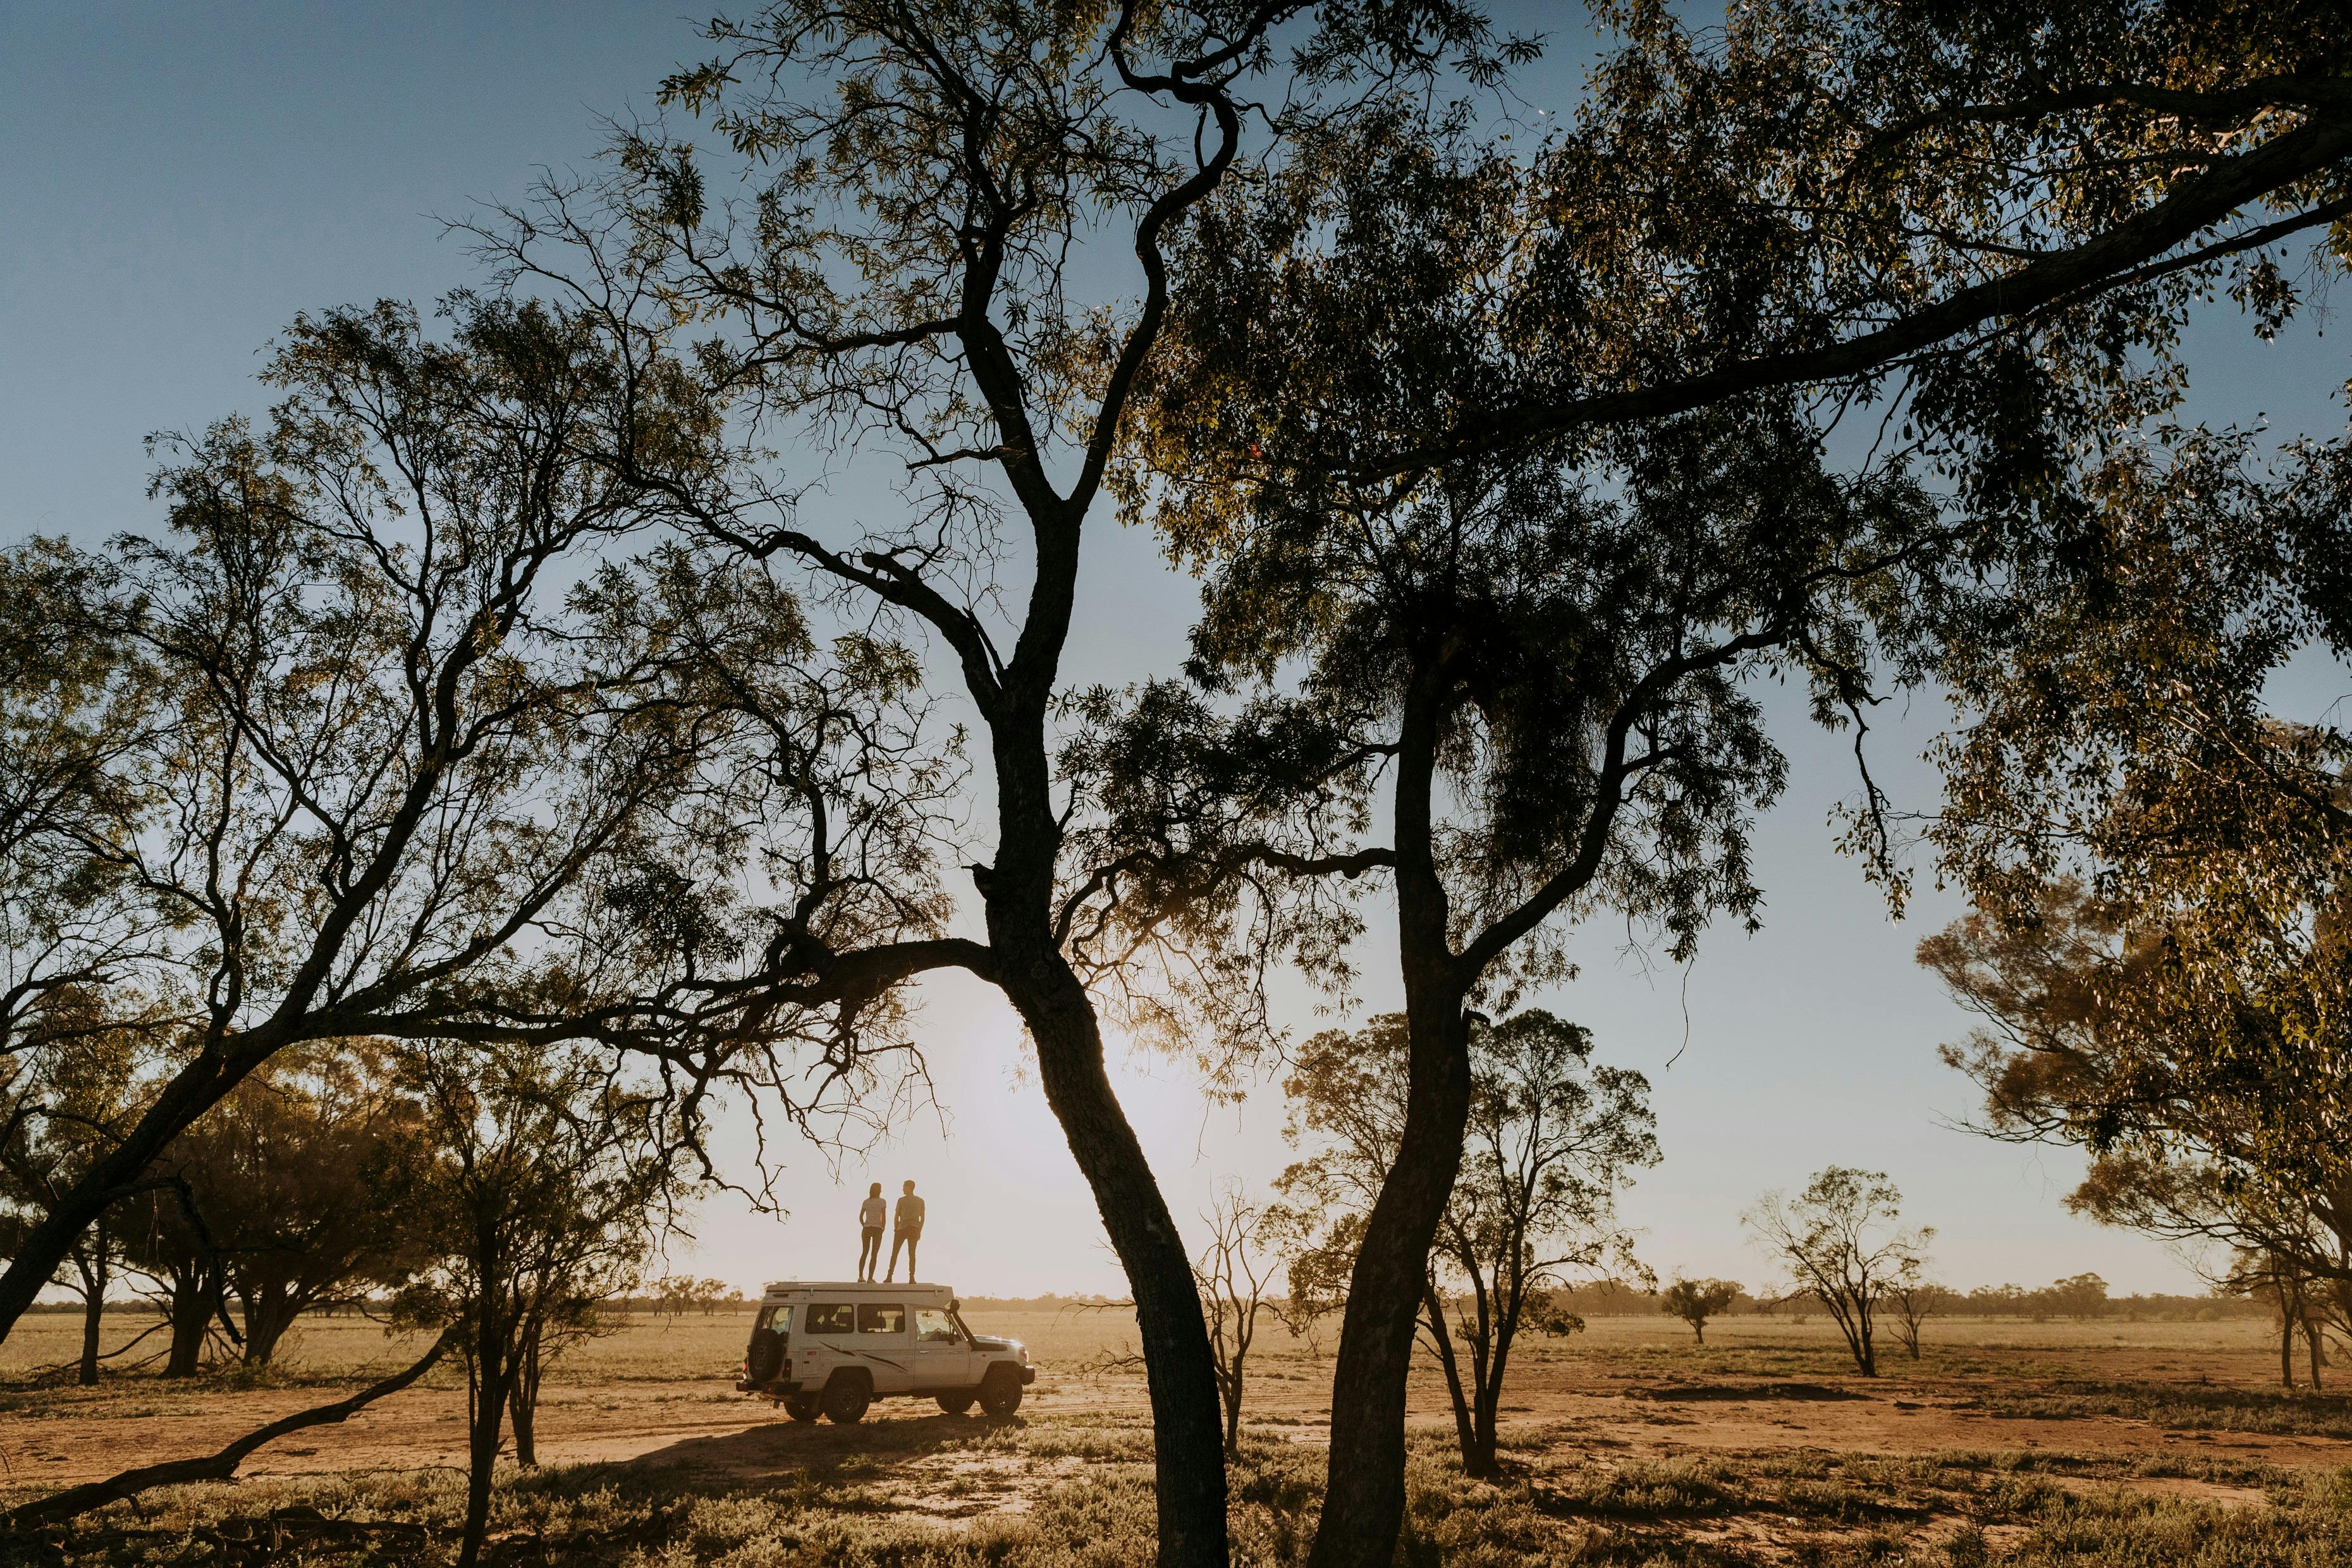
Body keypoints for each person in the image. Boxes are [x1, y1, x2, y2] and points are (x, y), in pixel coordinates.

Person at [886, 1180, 926, 1282]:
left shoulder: (901, 1200)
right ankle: (912, 1277)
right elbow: (922, 1219)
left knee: (895, 1253)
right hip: (914, 1228)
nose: (903, 1189)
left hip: (902, 1228)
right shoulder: (920, 1201)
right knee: (912, 1254)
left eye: (904, 1187)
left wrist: (896, 1229)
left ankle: (889, 1276)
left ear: (909, 1188)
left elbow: (896, 1217)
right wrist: (919, 1231)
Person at [857, 1182, 886, 1281]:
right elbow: (884, 1216)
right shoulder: (882, 1202)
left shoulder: (866, 1202)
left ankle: (861, 1276)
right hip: (877, 1229)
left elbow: (861, 1216)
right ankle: (870, 1278)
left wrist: (864, 1225)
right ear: (879, 1190)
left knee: (864, 1252)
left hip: (867, 1228)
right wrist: (883, 1227)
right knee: (874, 1254)